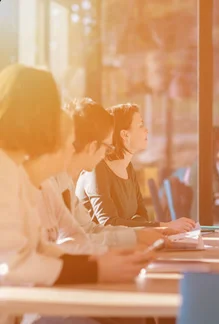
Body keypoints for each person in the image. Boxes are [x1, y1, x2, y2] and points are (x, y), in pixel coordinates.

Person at [0, 64, 154, 324]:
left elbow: (41, 247)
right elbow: (15, 263)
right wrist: (97, 267)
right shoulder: (7, 171)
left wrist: (105, 262)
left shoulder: (15, 170)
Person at [39, 98, 165, 253]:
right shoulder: (48, 184)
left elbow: (88, 231)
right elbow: (74, 240)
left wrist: (139, 235)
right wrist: (136, 237)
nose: (107, 153)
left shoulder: (66, 184)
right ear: (93, 147)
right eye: (107, 147)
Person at [76, 103, 195, 230]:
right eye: (140, 125)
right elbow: (108, 222)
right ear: (125, 135)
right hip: (98, 246)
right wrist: (165, 227)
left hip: (123, 244)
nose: (146, 130)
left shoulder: (128, 167)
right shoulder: (96, 168)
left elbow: (141, 215)